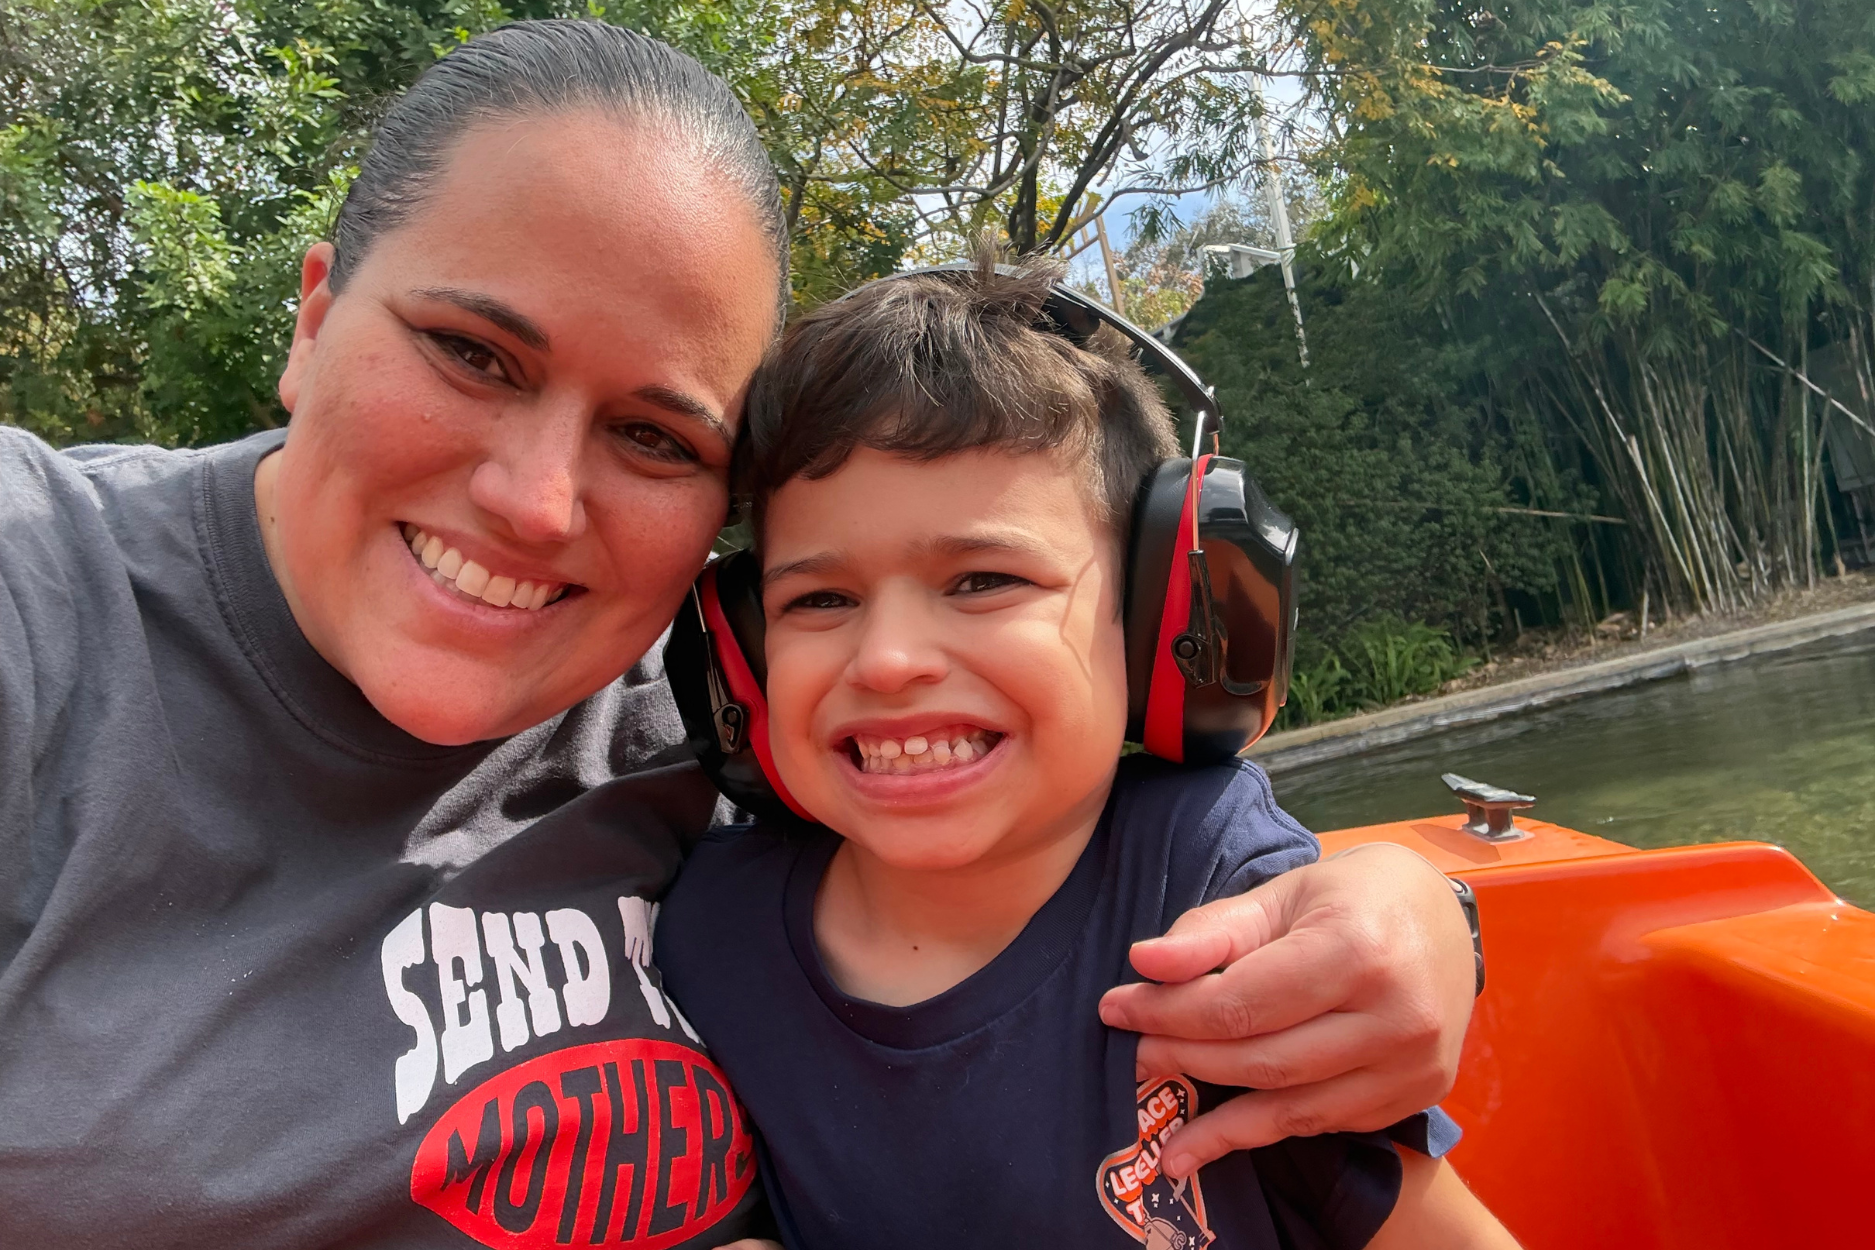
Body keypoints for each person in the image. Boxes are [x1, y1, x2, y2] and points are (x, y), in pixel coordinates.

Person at [0, 20, 1481, 1250]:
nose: (533, 501)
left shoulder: (714, 716)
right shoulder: (36, 597)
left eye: (654, 435)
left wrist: (1420, 923)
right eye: (470, 351)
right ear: (315, 315)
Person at [657, 255, 1517, 1248]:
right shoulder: (703, 936)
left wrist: (1422, 905)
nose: (887, 659)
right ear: (741, 657)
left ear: (1162, 623)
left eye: (982, 579)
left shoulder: (1208, 888)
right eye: (818, 599)